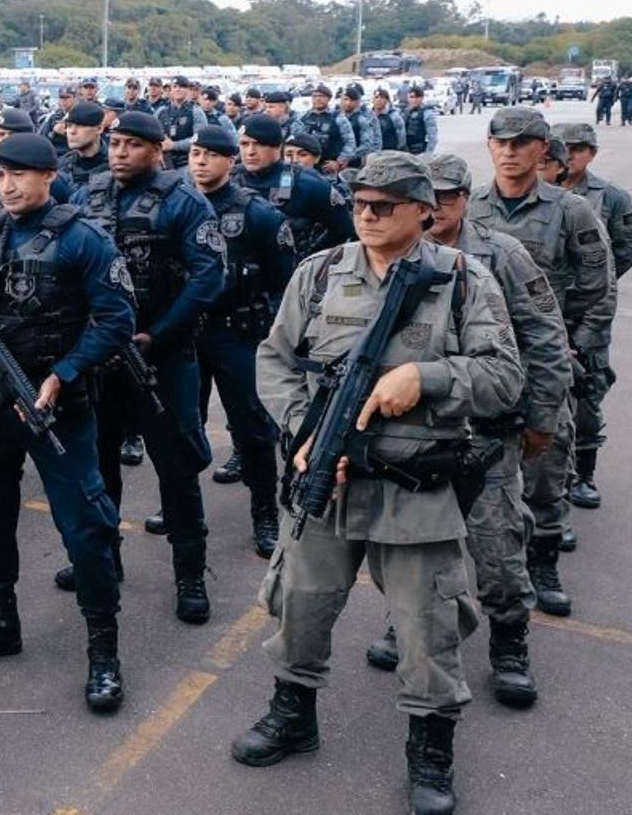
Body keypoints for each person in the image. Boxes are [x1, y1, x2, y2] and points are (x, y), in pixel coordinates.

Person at [234, 150, 522, 815]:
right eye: (360, 201)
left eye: (385, 204)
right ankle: (292, 713)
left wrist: (427, 379)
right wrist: (304, 435)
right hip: (327, 480)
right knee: (300, 604)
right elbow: (275, 360)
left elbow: (505, 376)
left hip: (415, 489)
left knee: (427, 627)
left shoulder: (462, 280)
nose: (367, 213)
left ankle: (430, 749)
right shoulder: (319, 274)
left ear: (425, 210)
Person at [361, 152, 572, 710]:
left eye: (450, 197)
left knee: (497, 546)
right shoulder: (382, 257)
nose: (439, 209)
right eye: (431, 197)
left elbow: (545, 338)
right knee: (403, 544)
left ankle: (509, 641)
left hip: (484, 430)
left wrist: (543, 416)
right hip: (412, 434)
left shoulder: (501, 255)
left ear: (462, 199)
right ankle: (403, 622)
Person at [0, 132, 134, 712]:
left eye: (20, 174)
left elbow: (117, 319)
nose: (8, 185)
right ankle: (1, 621)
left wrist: (65, 373)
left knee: (84, 526)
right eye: (0, 175)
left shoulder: (84, 240)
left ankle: (104, 651)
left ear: (50, 176)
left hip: (56, 407)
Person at [80, 111, 226, 623]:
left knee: (177, 469)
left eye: (132, 145)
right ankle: (104, 560)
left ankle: (189, 574)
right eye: (114, 143)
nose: (119, 152)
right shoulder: (90, 195)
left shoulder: (184, 200)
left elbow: (209, 278)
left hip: (162, 358)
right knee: (98, 467)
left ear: (157, 150)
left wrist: (156, 335)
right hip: (104, 359)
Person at [467, 107, 615, 587]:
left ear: (542, 149)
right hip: (481, 360)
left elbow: (600, 287)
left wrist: (576, 348)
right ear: (490, 147)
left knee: (547, 469)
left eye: (521, 143)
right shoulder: (469, 208)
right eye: (501, 143)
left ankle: (543, 568)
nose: (509, 152)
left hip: (543, 358)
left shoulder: (572, 211)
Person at [187, 125, 294, 558]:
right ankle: (178, 507)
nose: (200, 161)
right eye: (195, 153)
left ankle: (264, 512)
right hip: (186, 332)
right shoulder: (176, 205)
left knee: (251, 429)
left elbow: (286, 282)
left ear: (229, 161)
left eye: (211, 155)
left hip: (237, 333)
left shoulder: (258, 213)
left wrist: (267, 329)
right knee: (179, 428)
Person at [550, 121, 632, 508]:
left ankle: (584, 474)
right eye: (562, 148)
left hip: (588, 314)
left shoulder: (611, 196)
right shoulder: (541, 192)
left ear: (591, 153)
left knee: (586, 394)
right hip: (543, 313)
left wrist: (589, 294)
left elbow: (622, 255)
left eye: (578, 149)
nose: (570, 155)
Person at [237, 115, 354, 265]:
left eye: (259, 144)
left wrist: (311, 260)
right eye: (244, 144)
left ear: (278, 147)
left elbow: (343, 229)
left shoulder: (308, 182)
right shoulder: (230, 180)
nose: (250, 152)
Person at [57, 101, 109, 190]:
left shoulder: (115, 166)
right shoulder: (62, 165)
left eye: (80, 125)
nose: (72, 131)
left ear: (99, 129)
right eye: (69, 125)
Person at [401, 86, 440, 154]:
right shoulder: (405, 112)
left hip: (420, 151)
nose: (414, 100)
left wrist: (427, 155)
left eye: (417, 97)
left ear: (422, 98)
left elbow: (432, 138)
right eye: (412, 97)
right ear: (408, 98)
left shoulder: (427, 113)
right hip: (406, 151)